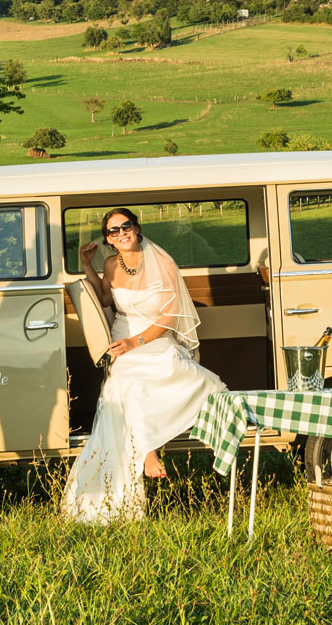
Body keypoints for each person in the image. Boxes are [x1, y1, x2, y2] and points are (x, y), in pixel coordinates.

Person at [61, 208, 227, 523]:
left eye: (125, 226)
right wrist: (87, 266)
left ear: (136, 228)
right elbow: (106, 300)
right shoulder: (111, 264)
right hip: (122, 337)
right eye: (113, 231)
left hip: (154, 337)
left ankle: (148, 445)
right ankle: (147, 450)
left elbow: (169, 317)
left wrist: (136, 342)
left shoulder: (163, 263)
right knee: (128, 383)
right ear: (109, 240)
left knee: (182, 375)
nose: (121, 233)